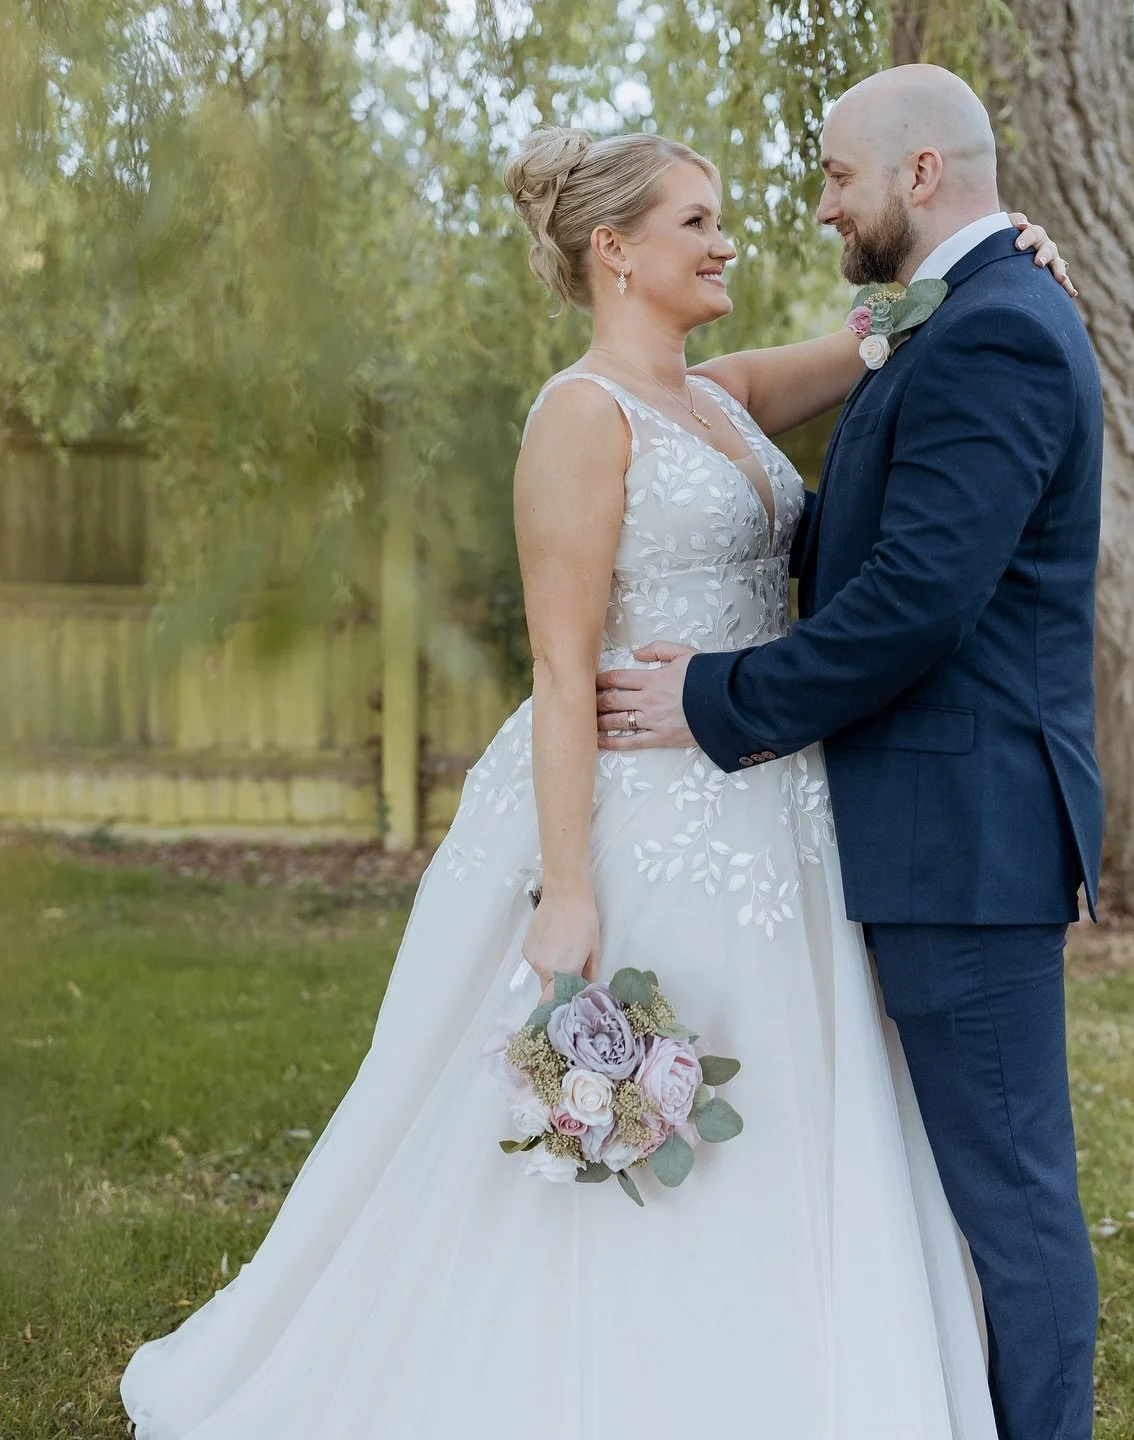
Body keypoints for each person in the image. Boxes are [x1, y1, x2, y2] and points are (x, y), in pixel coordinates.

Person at [121, 86, 1078, 1440]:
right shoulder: (578, 418)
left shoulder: (725, 401)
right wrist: (568, 889)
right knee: (623, 1131)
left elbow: (891, 329)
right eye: (699, 221)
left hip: (772, 808)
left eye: (728, 219)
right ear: (614, 251)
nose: (729, 241)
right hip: (635, 803)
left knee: (800, 1108)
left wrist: (992, 246)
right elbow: (564, 673)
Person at [595, 65, 1104, 1440]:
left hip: (969, 843)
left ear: (920, 174)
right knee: (949, 1191)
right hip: (921, 834)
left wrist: (718, 696)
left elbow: (913, 609)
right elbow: (869, 539)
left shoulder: (999, 329)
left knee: (1009, 1198)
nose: (819, 207)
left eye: (834, 177)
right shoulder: (961, 314)